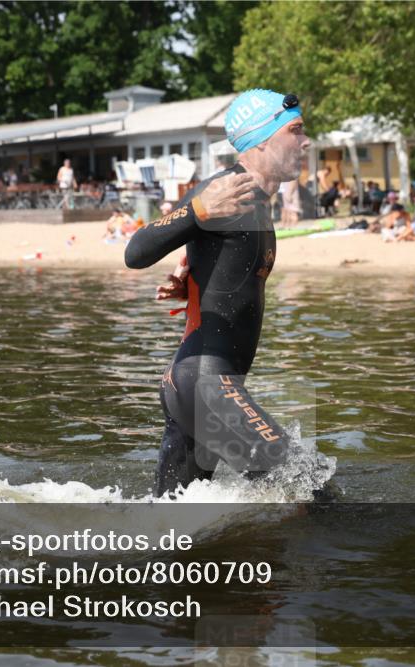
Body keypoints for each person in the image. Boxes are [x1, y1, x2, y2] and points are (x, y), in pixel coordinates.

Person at [125, 89, 311, 498]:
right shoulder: (223, 191)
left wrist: (195, 281)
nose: (306, 141)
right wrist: (196, 212)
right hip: (205, 386)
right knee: (306, 489)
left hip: (197, 385)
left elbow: (223, 263)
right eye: (295, 130)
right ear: (262, 140)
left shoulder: (255, 200)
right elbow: (136, 251)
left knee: (171, 526)